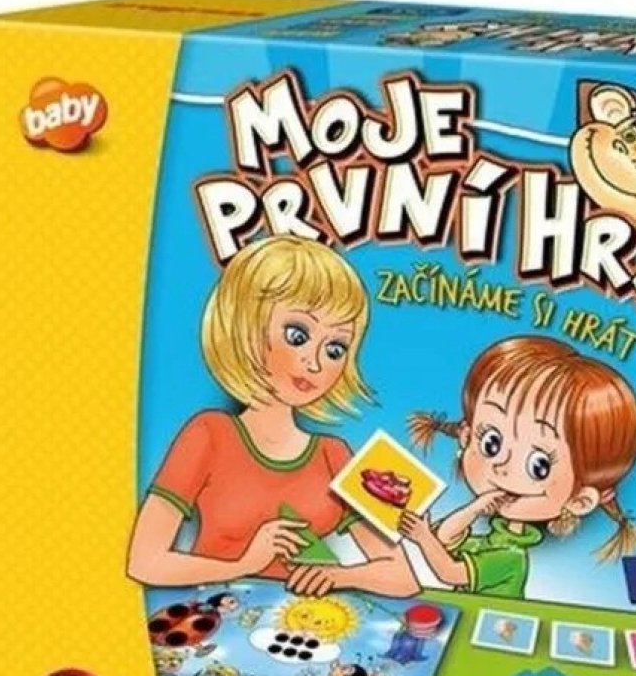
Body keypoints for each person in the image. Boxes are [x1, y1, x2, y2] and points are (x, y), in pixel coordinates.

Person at [128, 236, 418, 598]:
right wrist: (243, 565)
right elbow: (144, 561)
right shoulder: (209, 433)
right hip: (212, 616)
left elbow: (404, 577)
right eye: (297, 335)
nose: (314, 363)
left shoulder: (334, 453)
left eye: (335, 349)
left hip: (304, 621)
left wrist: (338, 576)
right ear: (245, 326)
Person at [401, 336, 636, 599]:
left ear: (579, 500)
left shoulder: (510, 556)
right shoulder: (492, 541)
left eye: (539, 465)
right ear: (467, 437)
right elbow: (445, 538)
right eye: (492, 442)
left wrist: (423, 538)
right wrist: (475, 508)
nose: (502, 465)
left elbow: (449, 573)